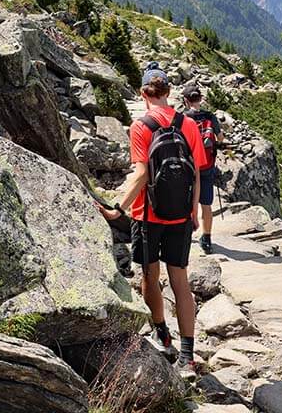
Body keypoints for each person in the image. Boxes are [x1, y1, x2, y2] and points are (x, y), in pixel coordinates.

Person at [97, 62, 206, 372]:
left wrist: (117, 208)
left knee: (149, 275)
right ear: (169, 92)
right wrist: (194, 210)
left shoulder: (140, 126)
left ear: (142, 93)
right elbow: (196, 172)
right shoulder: (189, 125)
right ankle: (188, 353)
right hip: (181, 216)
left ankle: (163, 335)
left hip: (147, 215)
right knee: (180, 281)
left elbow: (142, 173)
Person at [181, 84, 223, 254]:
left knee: (186, 201)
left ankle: (185, 233)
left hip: (188, 166)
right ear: (200, 99)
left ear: (185, 100)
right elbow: (220, 138)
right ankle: (207, 238)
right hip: (206, 165)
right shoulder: (210, 116)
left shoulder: (182, 117)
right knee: (206, 204)